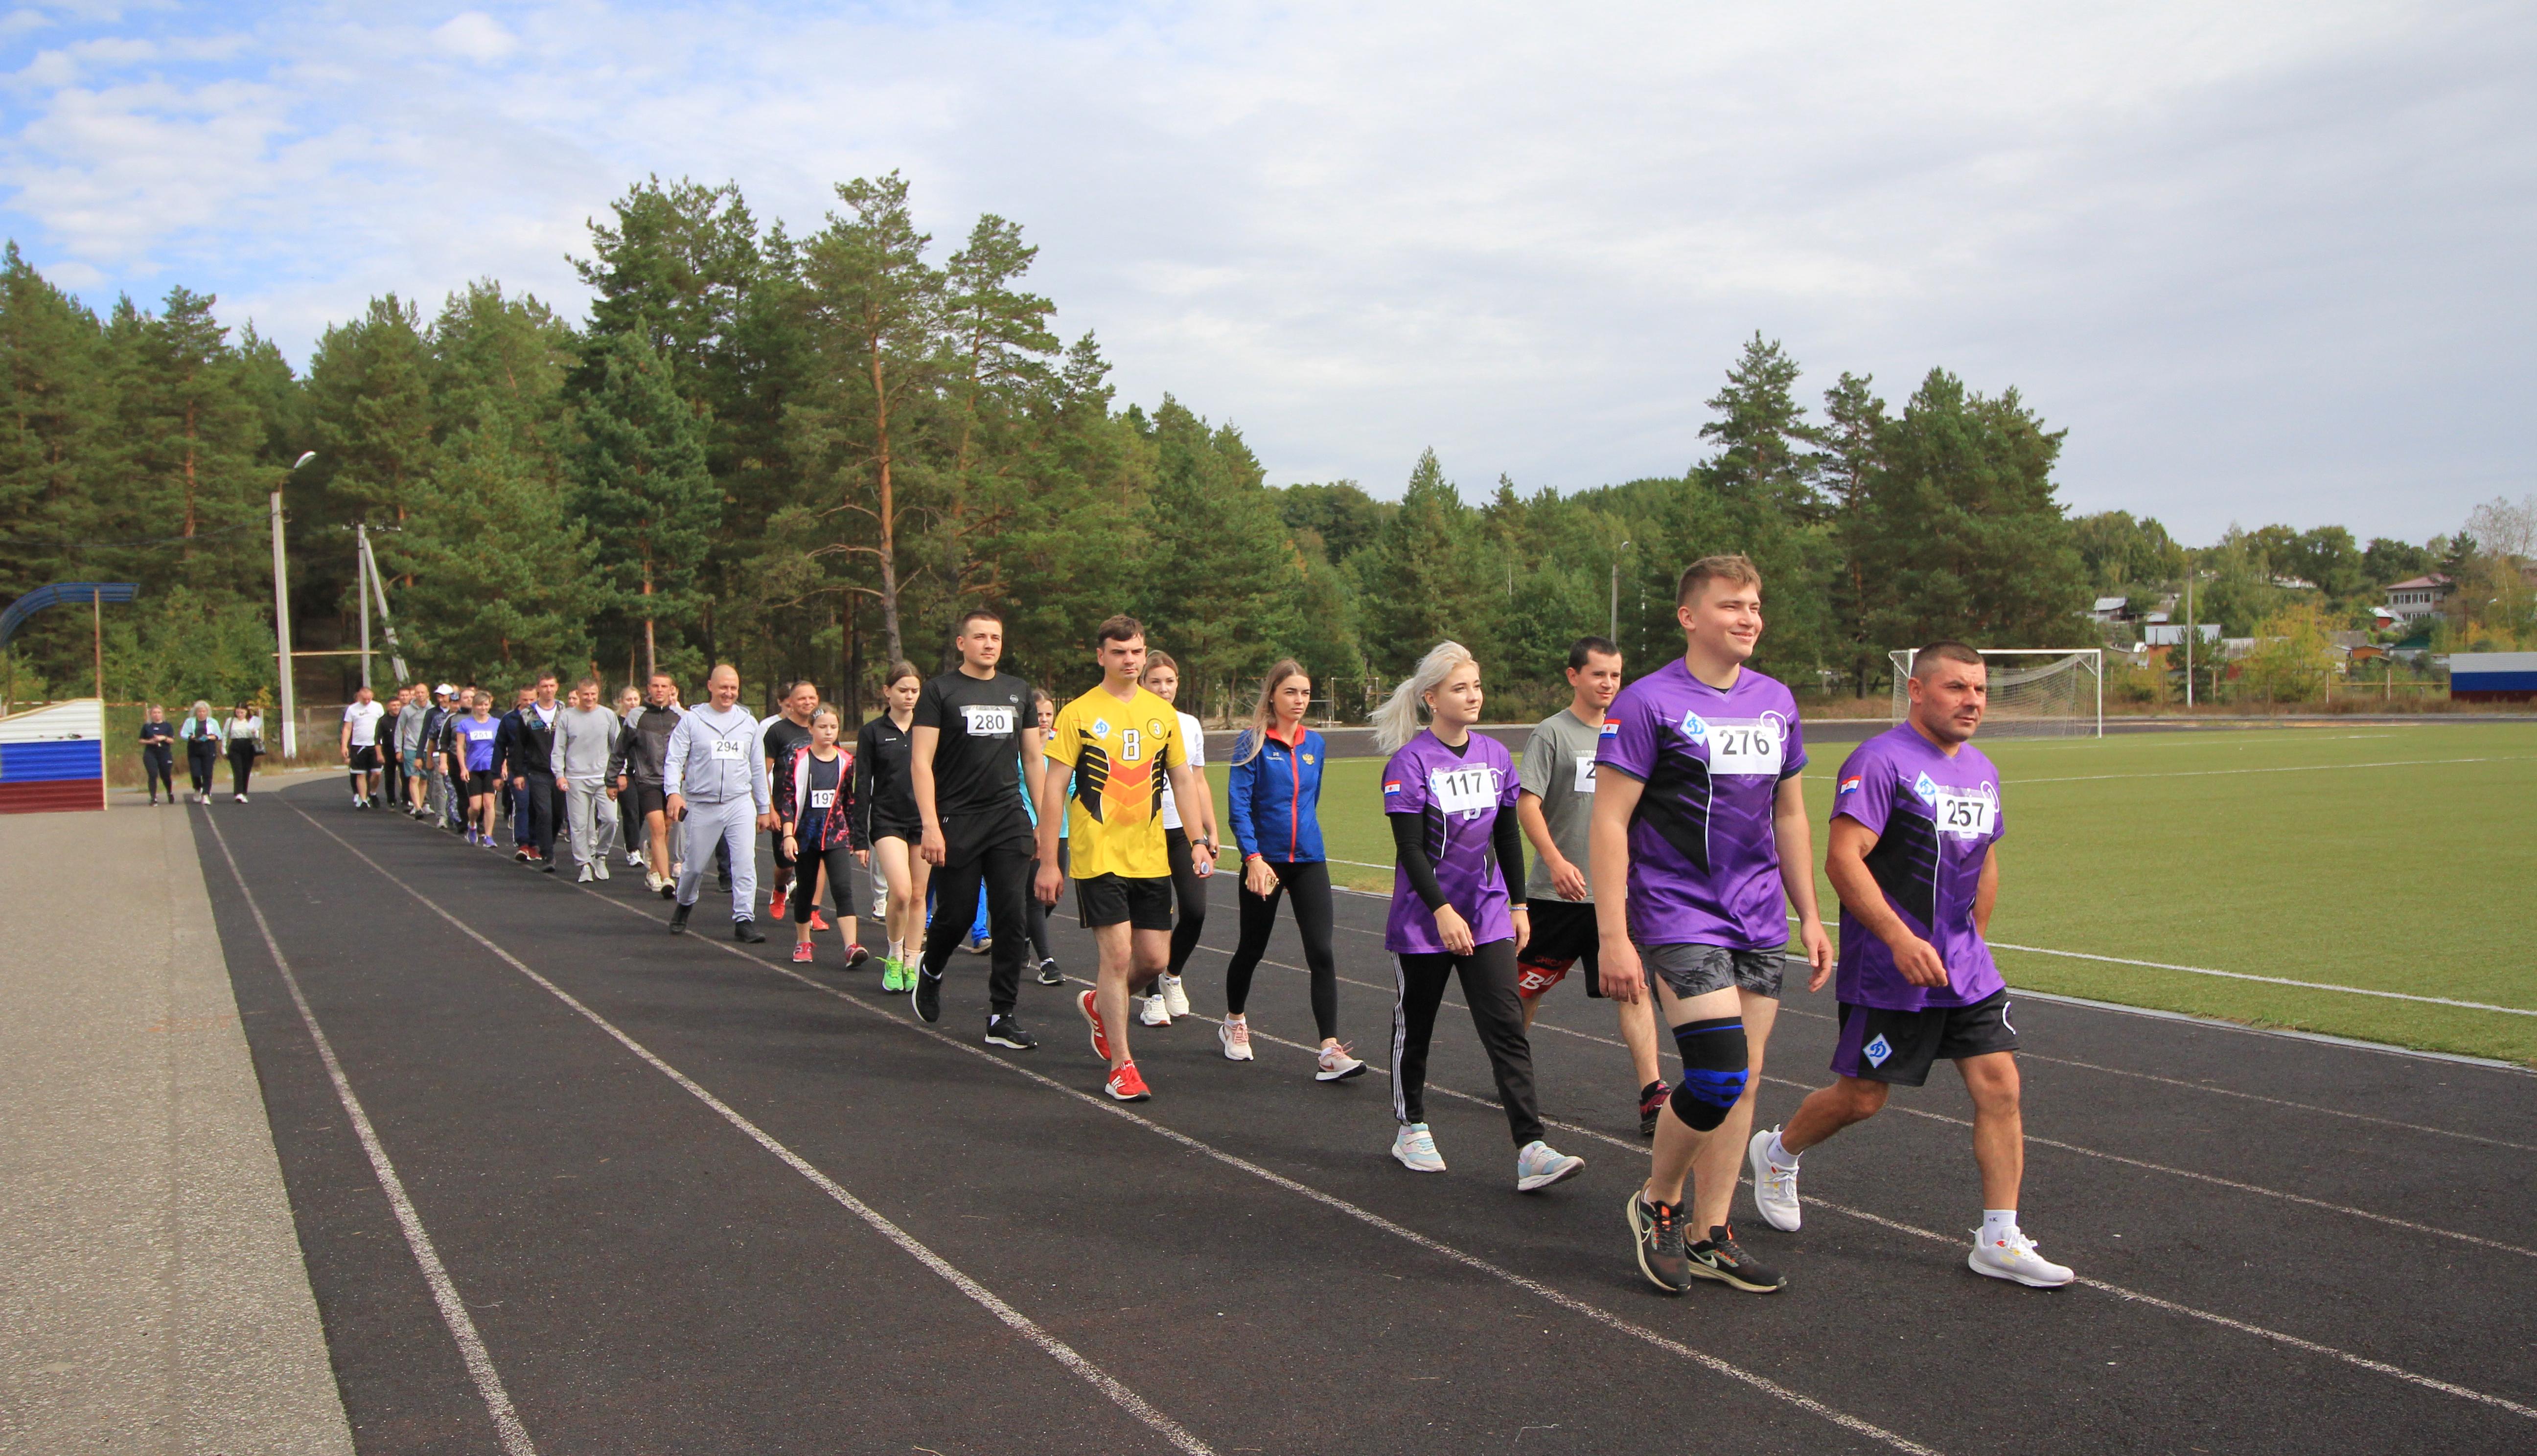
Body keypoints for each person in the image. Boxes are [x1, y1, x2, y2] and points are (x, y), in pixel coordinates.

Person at [1748, 642, 2070, 1289]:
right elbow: (1845, 859)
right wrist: (1899, 939)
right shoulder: (1879, 760)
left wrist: (1974, 941)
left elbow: (1986, 859)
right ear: (1918, 691)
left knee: (2001, 1087)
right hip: (1890, 969)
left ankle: (1999, 1237)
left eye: (1979, 689)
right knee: (1864, 1098)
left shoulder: (1982, 769)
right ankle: (1778, 1153)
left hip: (1966, 969)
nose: (1973, 701)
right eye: (1956, 688)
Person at [1600, 554, 1830, 1297]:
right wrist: (1613, 934)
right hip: (1676, 909)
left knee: (1747, 1080)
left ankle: (1711, 1234)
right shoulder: (1646, 703)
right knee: (1719, 1070)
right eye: (1732, 605)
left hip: (1758, 914)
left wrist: (1811, 914)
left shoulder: (1776, 701)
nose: (1750, 618)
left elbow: (1789, 813)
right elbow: (1609, 821)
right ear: (1690, 617)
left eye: (1756, 606)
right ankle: (1658, 1200)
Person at [1376, 641, 1584, 1192]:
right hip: (1426, 919)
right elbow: (1412, 850)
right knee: (1415, 1026)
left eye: (1476, 685)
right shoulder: (1410, 763)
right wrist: (1441, 911)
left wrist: (1518, 905)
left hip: (1488, 912)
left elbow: (1506, 836)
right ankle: (1411, 1125)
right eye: (1460, 688)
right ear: (1431, 698)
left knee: (1506, 1026)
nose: (1473, 696)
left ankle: (1531, 1147)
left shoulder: (1495, 756)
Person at [1035, 615, 1205, 1100]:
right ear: (1101, 656)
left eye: (1136, 652)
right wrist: (1050, 860)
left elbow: (1183, 781)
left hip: (1150, 855)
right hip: (1098, 855)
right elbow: (1053, 790)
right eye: (1118, 652)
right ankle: (1122, 1065)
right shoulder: (1078, 714)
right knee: (1118, 956)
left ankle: (1098, 1004)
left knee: (1154, 959)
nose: (1129, 660)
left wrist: (1197, 838)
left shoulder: (1163, 715)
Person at [1515, 637, 1670, 1136]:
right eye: (1598, 674)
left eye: (1616, 675)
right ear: (1574, 676)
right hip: (1556, 897)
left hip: (1615, 896)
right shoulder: (1552, 734)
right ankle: (1509, 1069)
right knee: (1526, 990)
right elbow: (1527, 804)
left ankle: (1653, 1094)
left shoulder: (1630, 734)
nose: (1608, 684)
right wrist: (1556, 860)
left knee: (1634, 990)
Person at [1222, 660, 1362, 1080]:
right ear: (1273, 695)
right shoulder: (1251, 743)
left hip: (1309, 861)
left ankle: (1329, 1050)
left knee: (1322, 951)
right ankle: (1233, 1022)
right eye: (1291, 692)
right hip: (1264, 863)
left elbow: (1309, 803)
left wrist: (1303, 844)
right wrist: (1253, 858)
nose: (1299, 700)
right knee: (1253, 948)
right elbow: (1238, 808)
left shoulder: (1315, 744)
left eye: (1305, 692)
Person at [912, 611, 1042, 1049]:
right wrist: (930, 824)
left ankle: (1002, 1016)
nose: (989, 644)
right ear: (962, 643)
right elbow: (921, 762)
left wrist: (1043, 820)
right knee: (959, 915)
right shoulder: (940, 691)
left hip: (1008, 817)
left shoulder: (1017, 691)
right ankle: (931, 969)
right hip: (957, 820)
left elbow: (1034, 760)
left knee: (1011, 917)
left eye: (996, 638)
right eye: (981, 637)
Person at [1134, 651, 1219, 1028]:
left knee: (1195, 910)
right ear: (1142, 683)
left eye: (1169, 681)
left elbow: (1197, 781)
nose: (1163, 688)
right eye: (1155, 681)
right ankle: (1151, 995)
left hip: (1183, 832)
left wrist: (1208, 829)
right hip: (1143, 832)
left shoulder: (1189, 725)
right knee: (1151, 918)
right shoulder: (1131, 721)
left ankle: (1172, 975)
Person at [664, 664, 771, 941]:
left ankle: (744, 919)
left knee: (745, 863)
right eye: (723, 687)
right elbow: (674, 759)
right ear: (710, 686)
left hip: (739, 803)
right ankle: (685, 903)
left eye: (734, 688)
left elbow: (758, 767)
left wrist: (763, 807)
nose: (729, 693)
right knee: (695, 867)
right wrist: (673, 792)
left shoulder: (748, 723)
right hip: (703, 803)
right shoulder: (692, 720)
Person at [779, 707, 871, 969]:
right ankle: (803, 941)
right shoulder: (798, 760)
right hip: (806, 836)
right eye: (822, 727)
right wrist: (788, 835)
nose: (828, 732)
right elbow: (788, 799)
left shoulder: (846, 762)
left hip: (836, 835)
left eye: (833, 727)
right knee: (806, 890)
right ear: (811, 729)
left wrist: (856, 838)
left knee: (843, 888)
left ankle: (851, 945)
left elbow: (850, 802)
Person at [854, 664, 925, 991]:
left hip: (923, 821)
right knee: (900, 891)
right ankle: (894, 955)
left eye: (914, 691)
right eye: (903, 690)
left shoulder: (928, 728)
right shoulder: (872, 732)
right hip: (887, 820)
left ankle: (912, 961)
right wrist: (859, 836)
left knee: (919, 895)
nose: (909, 696)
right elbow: (862, 784)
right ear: (887, 691)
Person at [611, 674, 686, 896]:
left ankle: (654, 870)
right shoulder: (637, 716)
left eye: (664, 686)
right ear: (649, 689)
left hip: (672, 782)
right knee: (657, 827)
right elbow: (620, 750)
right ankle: (666, 880)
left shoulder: (681, 717)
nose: (660, 690)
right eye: (655, 686)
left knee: (667, 827)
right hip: (647, 780)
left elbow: (693, 748)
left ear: (672, 690)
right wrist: (611, 779)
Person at [760, 680, 821, 924]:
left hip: (816, 808)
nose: (808, 702)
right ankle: (780, 889)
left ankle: (812, 911)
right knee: (786, 865)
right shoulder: (777, 731)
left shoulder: (822, 728)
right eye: (802, 698)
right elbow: (762, 771)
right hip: (786, 808)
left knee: (816, 864)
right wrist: (769, 809)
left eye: (812, 698)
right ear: (791, 703)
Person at [553, 677, 621, 883]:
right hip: (576, 778)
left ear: (598, 694)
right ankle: (584, 864)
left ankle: (600, 855)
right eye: (585, 695)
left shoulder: (608, 716)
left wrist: (620, 773)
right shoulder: (567, 717)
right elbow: (559, 749)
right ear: (578, 694)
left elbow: (618, 747)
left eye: (593, 695)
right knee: (579, 825)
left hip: (603, 778)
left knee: (611, 819)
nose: (590, 698)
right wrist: (560, 774)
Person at [1023, 688, 1064, 987]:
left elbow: (1072, 782)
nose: (1045, 720)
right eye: (1039, 714)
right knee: (1037, 897)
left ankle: (1022, 935)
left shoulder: (1060, 745)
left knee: (1055, 895)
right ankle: (1047, 962)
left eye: (1049, 713)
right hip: (1027, 828)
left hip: (1060, 829)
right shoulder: (1019, 747)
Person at [452, 690, 505, 847]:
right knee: (476, 806)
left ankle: (489, 836)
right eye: (480, 705)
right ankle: (473, 824)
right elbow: (461, 747)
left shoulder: (496, 723)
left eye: (486, 705)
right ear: (474, 706)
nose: (483, 708)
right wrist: (463, 768)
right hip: (474, 768)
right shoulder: (465, 725)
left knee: (489, 803)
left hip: (490, 767)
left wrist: (503, 766)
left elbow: (502, 747)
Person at [614, 685, 647, 869]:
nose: (633, 703)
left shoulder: (644, 721)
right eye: (629, 700)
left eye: (636, 699)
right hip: (625, 773)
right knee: (631, 810)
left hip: (643, 772)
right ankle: (633, 849)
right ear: (622, 702)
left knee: (642, 812)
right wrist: (618, 772)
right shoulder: (617, 722)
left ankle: (633, 841)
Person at [341, 684, 385, 808]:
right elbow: (348, 728)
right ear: (359, 697)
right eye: (364, 699)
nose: (367, 701)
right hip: (359, 745)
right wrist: (344, 746)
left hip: (375, 745)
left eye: (369, 699)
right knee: (361, 773)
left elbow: (383, 725)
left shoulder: (378, 707)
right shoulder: (352, 709)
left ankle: (373, 792)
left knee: (377, 773)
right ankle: (364, 799)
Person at [417, 685, 455, 825]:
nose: (442, 698)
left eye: (444, 695)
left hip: (458, 756)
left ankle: (455, 815)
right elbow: (427, 736)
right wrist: (423, 756)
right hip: (439, 755)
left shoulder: (464, 717)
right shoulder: (434, 714)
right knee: (439, 786)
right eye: (439, 695)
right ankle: (442, 816)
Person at [178, 701, 222, 805]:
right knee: (196, 772)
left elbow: (219, 735)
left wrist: (209, 737)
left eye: (204, 711)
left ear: (207, 712)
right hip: (194, 747)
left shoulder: (213, 722)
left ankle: (206, 794)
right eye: (199, 712)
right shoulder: (190, 721)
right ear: (196, 712)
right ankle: (197, 788)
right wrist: (191, 737)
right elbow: (183, 734)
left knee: (207, 772)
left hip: (208, 747)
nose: (201, 713)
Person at [397, 684, 430, 816]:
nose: (420, 695)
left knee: (424, 779)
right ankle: (417, 806)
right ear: (414, 694)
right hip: (411, 748)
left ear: (428, 694)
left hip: (428, 748)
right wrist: (398, 749)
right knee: (414, 778)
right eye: (418, 693)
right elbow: (399, 730)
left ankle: (421, 805)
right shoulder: (406, 710)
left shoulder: (432, 710)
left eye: (423, 692)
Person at [224, 701, 264, 802]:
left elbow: (257, 737)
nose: (240, 715)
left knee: (246, 770)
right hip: (235, 746)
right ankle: (238, 793)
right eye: (238, 712)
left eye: (242, 712)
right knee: (238, 770)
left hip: (248, 746)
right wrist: (223, 748)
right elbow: (225, 735)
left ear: (246, 712)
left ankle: (244, 792)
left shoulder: (250, 721)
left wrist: (255, 732)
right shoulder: (231, 721)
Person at [138, 705, 175, 805]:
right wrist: (150, 741)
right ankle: (153, 798)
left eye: (159, 712)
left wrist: (163, 738)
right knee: (153, 774)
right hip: (151, 753)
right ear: (151, 715)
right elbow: (141, 740)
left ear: (162, 714)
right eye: (154, 713)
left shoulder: (167, 726)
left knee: (166, 775)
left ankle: (170, 792)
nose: (157, 715)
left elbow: (172, 740)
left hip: (165, 753)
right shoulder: (147, 726)